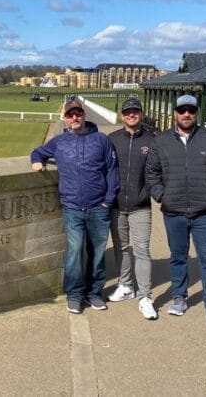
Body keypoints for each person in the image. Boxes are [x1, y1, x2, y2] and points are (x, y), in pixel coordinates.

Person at [145, 94, 206, 329]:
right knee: (178, 257)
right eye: (182, 110)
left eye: (191, 110)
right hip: (173, 210)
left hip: (204, 212)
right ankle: (179, 296)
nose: (187, 114)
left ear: (197, 113)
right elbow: (152, 173)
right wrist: (162, 195)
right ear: (175, 113)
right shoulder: (161, 140)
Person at [30, 96, 120, 314]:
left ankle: (94, 293)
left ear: (84, 115)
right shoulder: (59, 142)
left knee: (97, 254)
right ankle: (75, 294)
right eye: (70, 115)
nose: (75, 117)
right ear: (65, 119)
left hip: (99, 207)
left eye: (78, 113)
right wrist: (37, 161)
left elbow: (112, 170)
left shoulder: (101, 139)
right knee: (75, 253)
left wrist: (108, 200)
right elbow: (38, 152)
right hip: (72, 208)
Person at [106, 98, 157, 319]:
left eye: (135, 111)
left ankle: (145, 296)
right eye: (127, 112)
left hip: (141, 206)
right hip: (116, 205)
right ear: (122, 115)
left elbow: (162, 170)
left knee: (142, 250)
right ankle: (126, 286)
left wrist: (156, 193)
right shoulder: (113, 139)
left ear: (142, 114)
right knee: (121, 248)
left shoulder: (153, 140)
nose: (131, 115)